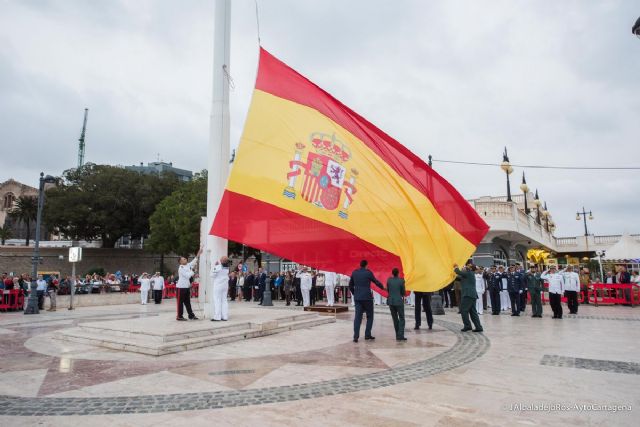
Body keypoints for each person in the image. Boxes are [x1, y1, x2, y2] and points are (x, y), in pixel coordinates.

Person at [349, 260, 384, 342]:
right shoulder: (368, 273)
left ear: (360, 265)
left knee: (357, 317)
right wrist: (383, 288)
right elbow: (376, 282)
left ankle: (356, 336)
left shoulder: (354, 273)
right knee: (370, 316)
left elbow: (350, 286)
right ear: (366, 265)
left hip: (358, 298)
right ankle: (367, 334)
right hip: (367, 298)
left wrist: (355, 293)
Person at [454, 262, 483, 332]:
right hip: (472, 295)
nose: (466, 267)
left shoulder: (469, 273)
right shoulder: (468, 274)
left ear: (471, 268)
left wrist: (455, 267)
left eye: (468, 266)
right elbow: (458, 278)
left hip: (468, 295)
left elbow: (458, 271)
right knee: (473, 312)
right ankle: (478, 327)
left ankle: (467, 326)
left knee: (463, 310)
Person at [176, 248, 202, 321]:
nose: (185, 260)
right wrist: (193, 271)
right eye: (183, 259)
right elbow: (187, 275)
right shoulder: (181, 268)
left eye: (185, 259)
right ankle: (179, 316)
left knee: (187, 302)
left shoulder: (187, 265)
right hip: (180, 287)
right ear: (180, 262)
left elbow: (193, 262)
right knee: (180, 303)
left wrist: (198, 254)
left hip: (186, 287)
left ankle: (191, 315)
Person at [387, 268, 407, 341]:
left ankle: (397, 335)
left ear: (392, 273)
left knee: (395, 319)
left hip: (391, 302)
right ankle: (400, 335)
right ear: (398, 273)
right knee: (402, 318)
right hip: (398, 301)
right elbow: (403, 293)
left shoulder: (389, 280)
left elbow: (388, 290)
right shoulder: (401, 281)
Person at [211, 256, 230, 321]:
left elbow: (212, 275)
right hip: (225, 285)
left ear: (221, 261)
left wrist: (215, 266)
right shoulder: (227, 267)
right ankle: (224, 316)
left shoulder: (218, 267)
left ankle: (217, 316)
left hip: (218, 285)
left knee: (217, 300)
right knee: (224, 301)